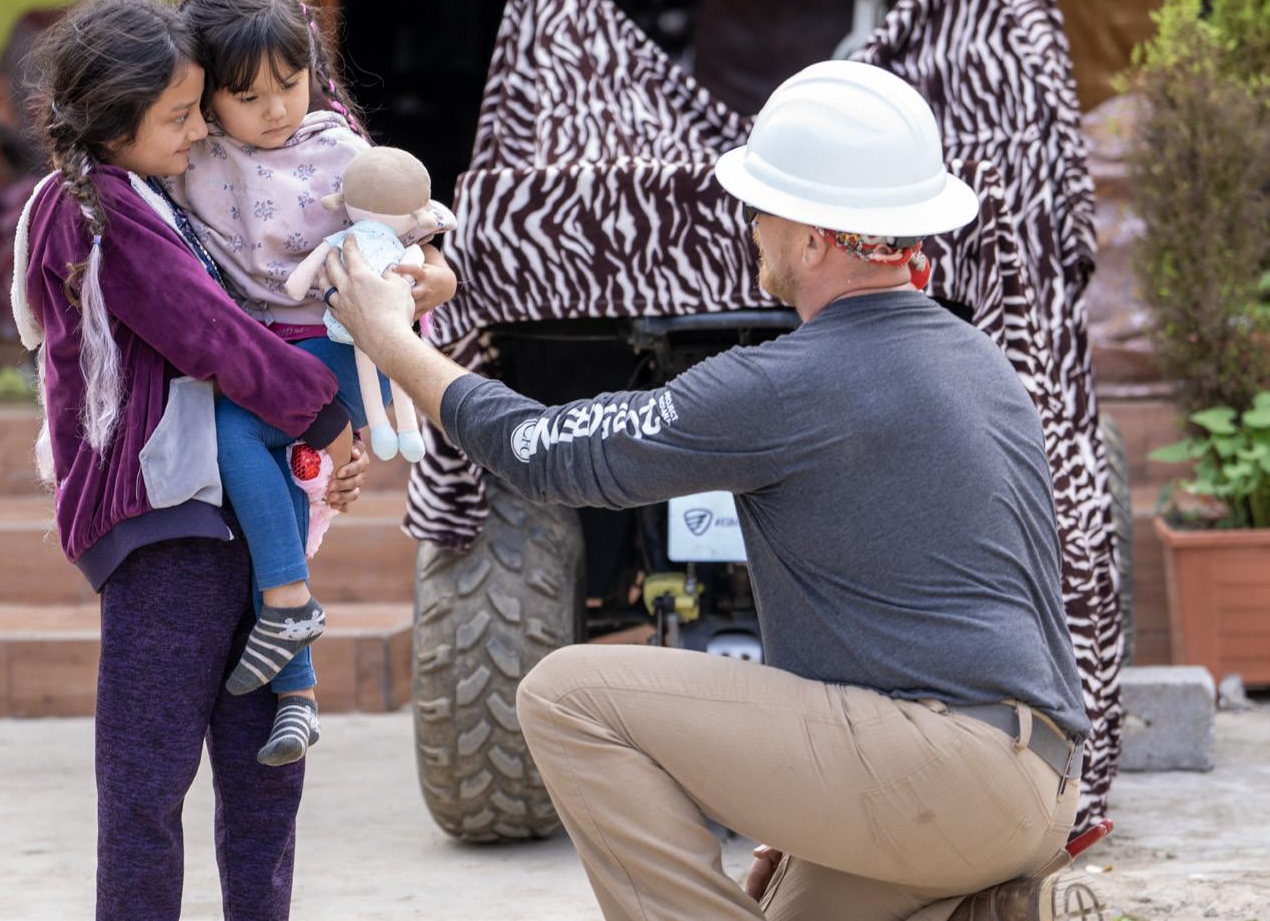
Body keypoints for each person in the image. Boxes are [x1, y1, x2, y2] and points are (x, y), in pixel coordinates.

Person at [322, 60, 1105, 921]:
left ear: (814, 240)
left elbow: (542, 453)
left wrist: (392, 340)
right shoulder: (978, 360)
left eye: (762, 208)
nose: (751, 227)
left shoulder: (790, 382)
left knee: (567, 695)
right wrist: (808, 799)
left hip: (942, 771)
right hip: (1033, 784)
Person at [11, 0, 370, 921]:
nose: (198, 130)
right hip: (165, 530)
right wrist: (323, 415)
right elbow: (210, 334)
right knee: (147, 787)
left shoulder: (162, 188)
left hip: (228, 514)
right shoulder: (94, 208)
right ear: (112, 122)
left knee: (263, 783)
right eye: (177, 117)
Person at [170, 0, 457, 765]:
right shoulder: (191, 157)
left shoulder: (340, 151)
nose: (275, 110)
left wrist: (435, 272)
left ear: (312, 73)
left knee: (238, 433)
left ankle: (290, 607)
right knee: (274, 475)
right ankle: (296, 690)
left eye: (289, 85)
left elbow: (414, 242)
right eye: (248, 96)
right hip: (263, 355)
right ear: (206, 95)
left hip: (340, 340)